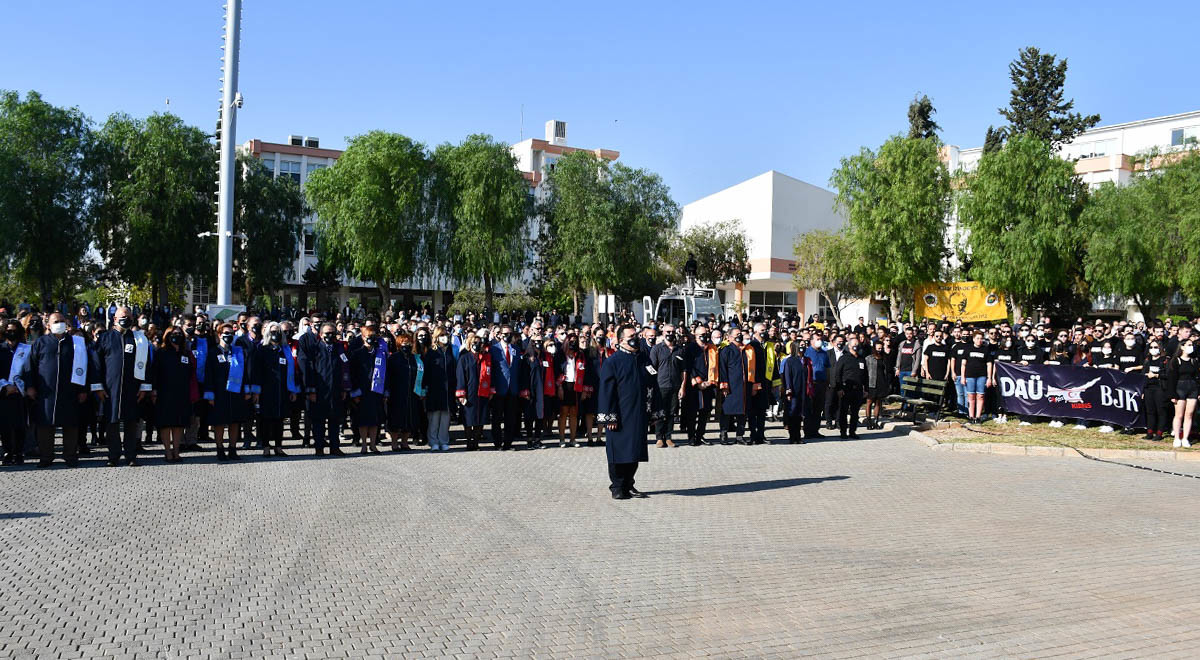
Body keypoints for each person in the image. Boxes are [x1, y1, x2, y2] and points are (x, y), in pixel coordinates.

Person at [597, 325, 657, 500]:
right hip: (620, 416)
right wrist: (610, 416)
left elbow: (653, 385)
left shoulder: (644, 359)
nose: (636, 338)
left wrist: (653, 412)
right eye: (631, 336)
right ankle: (617, 486)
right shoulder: (613, 361)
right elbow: (607, 391)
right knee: (619, 451)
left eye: (636, 335)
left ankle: (629, 484)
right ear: (621, 340)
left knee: (635, 451)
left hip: (638, 414)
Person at [25, 313, 92, 467]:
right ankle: (46, 457)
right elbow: (31, 366)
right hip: (46, 393)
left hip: (70, 391)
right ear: (48, 325)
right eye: (56, 321)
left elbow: (85, 367)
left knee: (71, 425)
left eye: (62, 321)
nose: (60, 324)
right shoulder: (40, 342)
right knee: (45, 426)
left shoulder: (76, 344)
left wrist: (83, 389)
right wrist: (30, 386)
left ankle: (70, 457)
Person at [93, 306, 151, 467]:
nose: (125, 319)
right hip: (110, 388)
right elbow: (96, 364)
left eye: (128, 316)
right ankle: (113, 456)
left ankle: (131, 455)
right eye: (122, 316)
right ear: (115, 319)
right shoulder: (105, 338)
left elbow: (147, 364)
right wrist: (98, 387)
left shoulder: (139, 339)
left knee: (131, 422)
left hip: (132, 388)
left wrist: (145, 387)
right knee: (111, 423)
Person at [299, 322, 349, 456]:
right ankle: (319, 448)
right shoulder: (314, 349)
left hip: (336, 391)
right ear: (320, 335)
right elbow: (309, 371)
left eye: (332, 333)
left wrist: (344, 388)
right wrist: (311, 390)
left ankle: (334, 447)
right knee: (318, 422)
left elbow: (345, 369)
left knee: (335, 420)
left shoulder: (339, 348)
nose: (330, 335)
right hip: (319, 391)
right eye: (327, 333)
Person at [251, 321, 300, 457]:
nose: (276, 334)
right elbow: (256, 371)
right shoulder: (262, 349)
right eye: (273, 331)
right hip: (266, 391)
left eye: (278, 332)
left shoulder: (285, 351)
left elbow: (292, 371)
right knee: (266, 419)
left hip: (282, 390)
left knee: (280, 420)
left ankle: (278, 446)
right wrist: (256, 391)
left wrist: (293, 390)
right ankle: (266, 446)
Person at [203, 323, 249, 460]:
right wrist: (209, 393)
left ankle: (233, 449)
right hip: (219, 393)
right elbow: (208, 374)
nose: (228, 336)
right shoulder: (213, 352)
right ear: (219, 335)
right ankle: (220, 449)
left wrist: (246, 390)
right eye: (226, 333)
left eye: (231, 333)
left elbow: (244, 372)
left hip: (235, 393)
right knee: (219, 423)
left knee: (235, 422)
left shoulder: (237, 352)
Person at [151, 327, 196, 463]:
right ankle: (167, 452)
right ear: (167, 336)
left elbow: (191, 374)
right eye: (173, 334)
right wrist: (154, 390)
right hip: (164, 393)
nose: (176, 336)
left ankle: (176, 451)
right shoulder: (161, 352)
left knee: (178, 423)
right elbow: (155, 373)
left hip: (182, 393)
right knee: (166, 424)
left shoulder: (186, 354)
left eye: (179, 334)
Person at [649, 326, 686, 448]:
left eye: (672, 332)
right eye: (668, 332)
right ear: (663, 333)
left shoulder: (680, 350)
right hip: (661, 386)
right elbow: (652, 369)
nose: (670, 334)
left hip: (675, 385)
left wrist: (682, 387)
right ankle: (659, 437)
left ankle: (669, 436)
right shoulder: (657, 349)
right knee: (660, 412)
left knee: (671, 412)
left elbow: (683, 370)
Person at [455, 332, 492, 451]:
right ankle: (469, 441)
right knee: (468, 418)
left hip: (482, 391)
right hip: (469, 391)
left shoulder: (486, 357)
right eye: (474, 343)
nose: (476, 345)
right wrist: (461, 394)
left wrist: (491, 390)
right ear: (470, 344)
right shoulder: (464, 357)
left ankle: (476, 442)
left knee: (480, 418)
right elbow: (460, 376)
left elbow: (491, 374)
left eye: (479, 343)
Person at [421, 327, 456, 451]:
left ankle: (444, 440)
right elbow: (426, 372)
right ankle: (433, 441)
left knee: (446, 418)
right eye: (441, 335)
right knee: (434, 417)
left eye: (446, 334)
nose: (444, 337)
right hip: (435, 389)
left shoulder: (451, 350)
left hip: (448, 390)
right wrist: (425, 387)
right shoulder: (431, 352)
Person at [0, 320, 29, 465]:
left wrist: (21, 386)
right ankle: (7, 452)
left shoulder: (26, 349)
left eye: (14, 330)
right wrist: (5, 386)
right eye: (8, 330)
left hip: (20, 393)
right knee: (4, 424)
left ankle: (18, 452)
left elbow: (30, 371)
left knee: (20, 424)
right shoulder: (1, 349)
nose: (11, 333)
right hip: (3, 393)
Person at [489, 326, 523, 450]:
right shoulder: (493, 349)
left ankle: (508, 443)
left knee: (511, 418)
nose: (507, 335)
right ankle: (497, 443)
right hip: (499, 388)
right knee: (497, 418)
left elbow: (518, 369)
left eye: (509, 333)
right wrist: (492, 386)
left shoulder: (516, 349)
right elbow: (491, 369)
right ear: (500, 334)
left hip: (513, 388)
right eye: (505, 333)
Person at [520, 337, 557, 449]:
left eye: (540, 341)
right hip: (530, 390)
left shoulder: (545, 357)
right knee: (529, 416)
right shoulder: (527, 357)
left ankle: (537, 439)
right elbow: (524, 375)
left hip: (543, 389)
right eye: (536, 341)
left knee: (540, 415)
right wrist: (525, 390)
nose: (538, 343)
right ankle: (529, 439)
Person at [384, 332, 417, 452]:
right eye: (404, 343)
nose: (406, 345)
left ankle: (405, 442)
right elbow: (387, 375)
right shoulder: (393, 358)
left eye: (408, 343)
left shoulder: (414, 358)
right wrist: (386, 391)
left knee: (409, 418)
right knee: (395, 418)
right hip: (396, 393)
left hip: (411, 392)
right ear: (399, 344)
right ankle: (394, 443)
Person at [718, 328, 750, 445]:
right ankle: (723, 434)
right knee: (727, 410)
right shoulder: (726, 350)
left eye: (741, 334)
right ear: (730, 337)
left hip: (744, 386)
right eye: (737, 334)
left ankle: (740, 435)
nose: (739, 336)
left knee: (743, 412)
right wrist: (724, 384)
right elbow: (722, 369)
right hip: (731, 386)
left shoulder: (745, 350)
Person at [830, 335, 866, 439]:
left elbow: (865, 375)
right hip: (846, 389)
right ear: (849, 346)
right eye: (854, 345)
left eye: (857, 345)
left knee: (855, 412)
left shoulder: (861, 359)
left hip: (858, 390)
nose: (856, 346)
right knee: (843, 411)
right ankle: (843, 431)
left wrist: (866, 389)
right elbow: (838, 374)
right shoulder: (844, 358)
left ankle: (852, 431)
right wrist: (839, 388)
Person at [1166, 338, 1198, 448]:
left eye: (1192, 345)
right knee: (1179, 415)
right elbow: (1171, 379)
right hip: (1180, 388)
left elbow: (1197, 377)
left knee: (1189, 414)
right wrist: (1172, 394)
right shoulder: (1176, 361)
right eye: (1188, 345)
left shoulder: (1194, 360)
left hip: (1192, 388)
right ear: (1182, 347)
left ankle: (1185, 438)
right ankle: (1177, 438)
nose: (1191, 347)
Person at [959, 331, 994, 425]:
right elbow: (963, 364)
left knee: (980, 396)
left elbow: (989, 364)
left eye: (981, 338)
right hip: (970, 376)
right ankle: (971, 416)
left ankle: (978, 417)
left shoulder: (986, 350)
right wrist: (962, 377)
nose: (979, 340)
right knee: (971, 396)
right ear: (974, 339)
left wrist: (989, 378)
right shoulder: (968, 349)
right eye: (977, 338)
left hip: (982, 376)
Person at [781, 340, 810, 444]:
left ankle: (798, 436)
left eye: (804, 345)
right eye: (801, 345)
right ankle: (792, 437)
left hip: (802, 391)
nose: (804, 347)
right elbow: (787, 376)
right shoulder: (790, 361)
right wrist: (788, 390)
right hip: (793, 391)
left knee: (799, 414)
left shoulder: (803, 361)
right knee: (792, 413)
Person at [1143, 340, 1171, 441]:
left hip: (1160, 388)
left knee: (1161, 411)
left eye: (1156, 347)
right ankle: (1150, 432)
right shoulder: (1147, 360)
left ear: (1160, 348)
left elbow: (1168, 375)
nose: (1153, 350)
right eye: (1151, 347)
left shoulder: (1165, 360)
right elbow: (1143, 373)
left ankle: (1159, 433)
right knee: (1150, 411)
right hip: (1148, 388)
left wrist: (1156, 375)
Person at [803, 335, 829, 440]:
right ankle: (808, 431)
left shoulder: (824, 353)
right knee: (809, 408)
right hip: (810, 384)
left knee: (818, 408)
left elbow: (827, 368)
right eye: (817, 339)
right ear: (811, 341)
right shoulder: (807, 352)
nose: (820, 341)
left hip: (821, 384)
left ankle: (815, 430)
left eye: (821, 339)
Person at [863, 340, 890, 431]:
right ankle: (869, 421)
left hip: (881, 382)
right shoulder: (868, 358)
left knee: (878, 402)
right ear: (874, 348)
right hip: (871, 382)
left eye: (881, 348)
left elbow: (886, 371)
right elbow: (865, 372)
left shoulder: (884, 358)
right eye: (877, 348)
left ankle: (876, 421)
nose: (879, 350)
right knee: (869, 402)